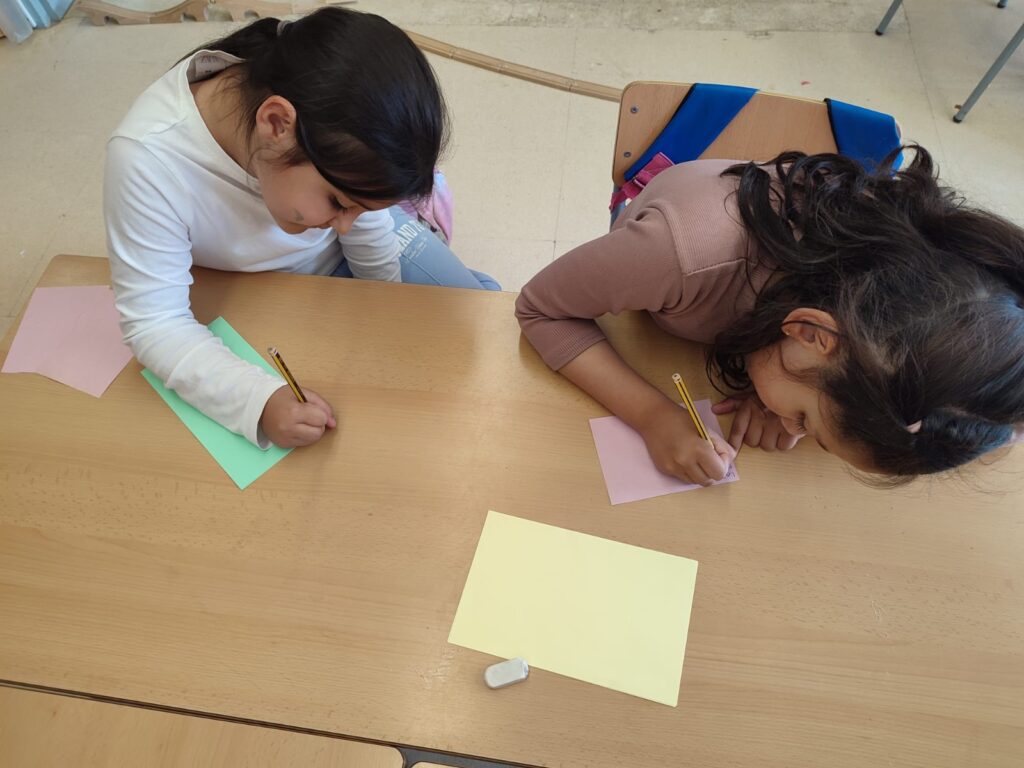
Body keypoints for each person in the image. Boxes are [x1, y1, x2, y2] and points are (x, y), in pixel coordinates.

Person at [105, 7, 498, 451]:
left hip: (352, 265)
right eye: (338, 202)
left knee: (479, 327)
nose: (344, 225)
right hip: (257, 289)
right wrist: (259, 401)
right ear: (276, 124)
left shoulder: (335, 149)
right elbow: (155, 324)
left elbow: (365, 220)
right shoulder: (146, 159)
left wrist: (382, 301)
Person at [515, 146, 1024, 485]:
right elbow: (539, 308)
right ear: (809, 332)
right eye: (804, 423)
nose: (791, 430)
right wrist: (654, 417)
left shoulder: (913, 306)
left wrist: (777, 390)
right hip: (653, 267)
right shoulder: (678, 254)